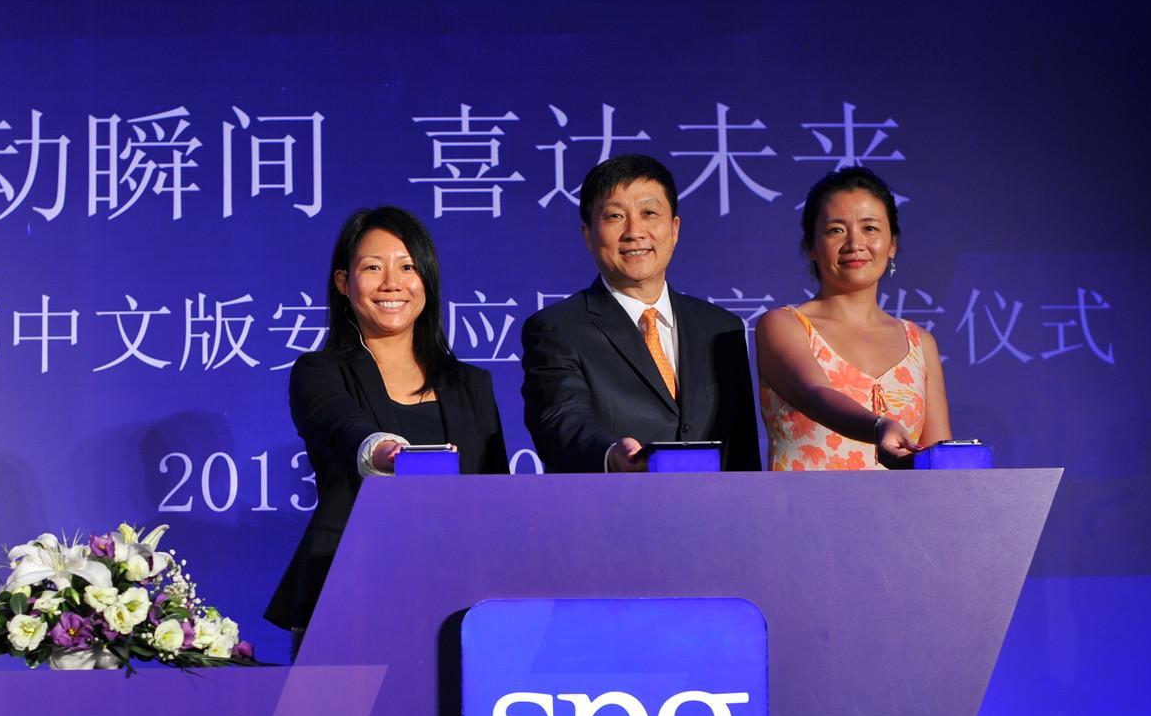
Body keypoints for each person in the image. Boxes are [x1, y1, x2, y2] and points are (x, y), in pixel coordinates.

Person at [266, 206, 508, 643]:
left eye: (408, 267)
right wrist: (383, 452)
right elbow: (343, 426)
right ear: (344, 283)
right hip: (349, 591)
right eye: (373, 267)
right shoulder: (319, 372)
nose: (392, 283)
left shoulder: (472, 384)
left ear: (427, 280)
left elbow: (494, 496)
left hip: (460, 601)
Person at [520, 154, 757, 473]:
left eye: (649, 213)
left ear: (674, 229)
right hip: (613, 501)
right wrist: (611, 455)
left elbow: (741, 444)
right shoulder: (557, 328)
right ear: (588, 235)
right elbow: (561, 418)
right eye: (615, 216)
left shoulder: (721, 328)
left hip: (712, 502)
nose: (634, 231)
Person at [756, 165, 951, 469]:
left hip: (901, 502)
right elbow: (816, 395)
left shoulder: (920, 343)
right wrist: (878, 427)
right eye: (836, 230)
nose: (855, 244)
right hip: (802, 501)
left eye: (870, 228)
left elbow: (939, 461)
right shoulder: (784, 325)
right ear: (810, 247)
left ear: (892, 244)